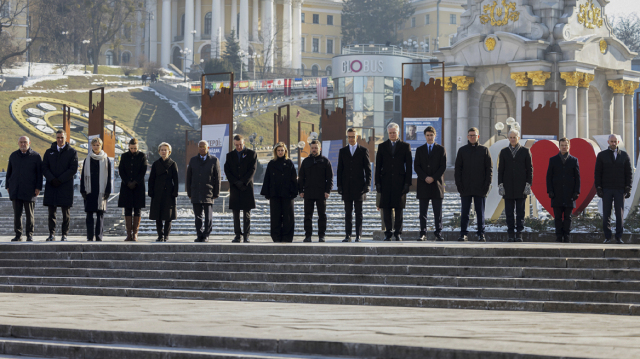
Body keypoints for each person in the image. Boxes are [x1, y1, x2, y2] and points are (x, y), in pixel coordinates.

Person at [375, 122, 412, 241]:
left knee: (399, 209)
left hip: (400, 182)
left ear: (398, 132)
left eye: (394, 133)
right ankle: (388, 233)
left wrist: (407, 183)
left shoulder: (405, 146)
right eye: (390, 133)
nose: (392, 134)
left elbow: (409, 167)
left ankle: (398, 233)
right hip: (385, 182)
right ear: (387, 133)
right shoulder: (382, 146)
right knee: (386, 208)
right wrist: (378, 183)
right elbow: (378, 166)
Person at [454, 127, 492, 242]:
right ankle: (463, 234)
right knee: (465, 212)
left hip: (480, 188)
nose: (472, 137)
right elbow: (458, 169)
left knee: (480, 213)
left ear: (478, 137)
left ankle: (481, 234)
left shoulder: (484, 150)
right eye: (470, 135)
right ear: (467, 137)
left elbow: (489, 169)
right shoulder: (462, 150)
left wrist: (486, 185)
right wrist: (459, 185)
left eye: (474, 135)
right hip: (465, 187)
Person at [595, 134, 632, 244]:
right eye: (612, 141)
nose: (613, 143)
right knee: (606, 214)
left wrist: (628, 187)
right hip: (606, 189)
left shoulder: (624, 156)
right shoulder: (602, 155)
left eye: (615, 141)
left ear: (618, 142)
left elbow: (629, 173)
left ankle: (618, 237)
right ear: (608, 142)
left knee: (619, 214)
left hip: (620, 189)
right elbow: (597, 173)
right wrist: (598, 187)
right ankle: (607, 237)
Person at [42, 130, 78, 242]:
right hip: (51, 185)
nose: (60, 139)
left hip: (65, 186)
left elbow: (73, 169)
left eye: (62, 137)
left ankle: (64, 235)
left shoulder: (72, 152)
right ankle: (51, 234)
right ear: (56, 138)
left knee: (65, 213)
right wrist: (52, 179)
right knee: (51, 213)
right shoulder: (49, 152)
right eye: (58, 137)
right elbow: (44, 168)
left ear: (66, 138)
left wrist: (60, 179)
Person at [498, 129, 532, 242]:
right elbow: (500, 170)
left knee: (520, 212)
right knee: (509, 212)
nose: (513, 139)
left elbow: (530, 170)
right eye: (511, 137)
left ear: (518, 138)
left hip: (521, 187)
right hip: (507, 187)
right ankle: (511, 234)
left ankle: (519, 234)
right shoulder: (504, 152)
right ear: (508, 138)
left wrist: (528, 184)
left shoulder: (525, 151)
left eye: (514, 137)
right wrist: (500, 185)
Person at [337, 128, 371, 242]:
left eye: (353, 136)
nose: (351, 138)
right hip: (346, 187)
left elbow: (368, 169)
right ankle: (348, 235)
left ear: (357, 137)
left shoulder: (363, 150)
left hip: (359, 187)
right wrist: (339, 186)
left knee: (359, 213)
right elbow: (339, 170)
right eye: (349, 136)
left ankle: (358, 235)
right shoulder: (343, 151)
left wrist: (368, 184)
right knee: (348, 213)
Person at [6, 136, 42, 242]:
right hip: (16, 190)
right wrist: (8, 186)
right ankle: (18, 235)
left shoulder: (36, 156)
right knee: (17, 214)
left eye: (25, 142)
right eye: (21, 142)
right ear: (18, 143)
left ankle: (29, 235)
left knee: (29, 214)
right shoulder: (13, 155)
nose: (23, 144)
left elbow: (39, 174)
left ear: (29, 143)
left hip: (30, 190)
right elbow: (9, 172)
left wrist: (38, 187)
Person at [260, 142, 298, 242]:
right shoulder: (271, 164)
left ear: (285, 151)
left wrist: (294, 192)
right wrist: (267, 193)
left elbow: (294, 178)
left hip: (287, 194)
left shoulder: (289, 163)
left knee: (288, 217)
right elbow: (267, 178)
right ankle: (276, 237)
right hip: (275, 194)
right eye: (278, 150)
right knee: (275, 217)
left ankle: (287, 237)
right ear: (275, 152)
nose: (280, 152)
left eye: (282, 150)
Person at [414, 126, 446, 241]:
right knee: (423, 212)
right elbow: (416, 166)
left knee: (437, 212)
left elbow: (443, 166)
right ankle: (423, 233)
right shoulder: (420, 150)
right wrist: (425, 177)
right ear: (425, 136)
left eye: (431, 135)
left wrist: (433, 177)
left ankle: (438, 233)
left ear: (435, 135)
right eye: (427, 135)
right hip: (423, 185)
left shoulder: (441, 149)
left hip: (436, 185)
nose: (429, 137)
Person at [224, 135, 257, 243]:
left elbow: (252, 170)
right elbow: (227, 170)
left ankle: (246, 235)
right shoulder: (230, 156)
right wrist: (235, 182)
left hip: (246, 187)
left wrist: (243, 182)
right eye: (236, 145)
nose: (238, 147)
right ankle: (238, 235)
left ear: (244, 143)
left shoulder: (252, 154)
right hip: (235, 188)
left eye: (240, 144)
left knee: (246, 213)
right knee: (236, 213)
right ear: (234, 144)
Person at [298, 140, 333, 242]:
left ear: (320, 148)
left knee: (322, 215)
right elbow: (301, 177)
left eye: (316, 148)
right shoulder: (306, 161)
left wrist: (328, 191)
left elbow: (330, 178)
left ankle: (321, 236)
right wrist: (301, 190)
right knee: (307, 215)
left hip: (321, 193)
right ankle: (308, 236)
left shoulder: (325, 161)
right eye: (312, 148)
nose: (314, 150)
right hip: (308, 192)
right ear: (310, 148)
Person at [546, 137, 580, 243]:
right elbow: (549, 177)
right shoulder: (553, 160)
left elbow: (578, 177)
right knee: (557, 217)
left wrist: (576, 192)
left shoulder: (574, 160)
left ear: (569, 146)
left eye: (566, 145)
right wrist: (550, 190)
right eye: (562, 145)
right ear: (559, 146)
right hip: (556, 193)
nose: (564, 147)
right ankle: (558, 236)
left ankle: (567, 237)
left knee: (568, 217)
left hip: (570, 194)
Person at [186, 140, 221, 243]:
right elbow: (189, 178)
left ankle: (206, 235)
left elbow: (217, 178)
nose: (202, 148)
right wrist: (189, 193)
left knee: (208, 216)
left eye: (204, 147)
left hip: (208, 192)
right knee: (198, 216)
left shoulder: (214, 160)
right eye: (200, 146)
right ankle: (199, 234)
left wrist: (216, 193)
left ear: (208, 148)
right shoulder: (193, 160)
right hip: (196, 192)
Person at [80, 137, 111, 242]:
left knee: (100, 215)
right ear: (91, 146)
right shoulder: (87, 159)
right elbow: (83, 175)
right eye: (94, 145)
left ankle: (99, 236)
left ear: (101, 146)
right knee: (89, 215)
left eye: (98, 145)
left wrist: (108, 190)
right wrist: (83, 190)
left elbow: (109, 176)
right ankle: (89, 236)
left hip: (101, 190)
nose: (96, 147)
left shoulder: (106, 159)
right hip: (89, 190)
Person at [118, 138, 148, 242]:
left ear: (138, 147)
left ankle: (135, 233)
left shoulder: (142, 156)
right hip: (126, 186)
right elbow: (121, 170)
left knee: (137, 209)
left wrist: (135, 182)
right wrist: (127, 182)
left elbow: (143, 171)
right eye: (131, 148)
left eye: (135, 148)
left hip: (138, 186)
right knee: (127, 209)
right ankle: (128, 234)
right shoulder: (124, 156)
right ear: (128, 147)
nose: (133, 150)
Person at [148, 142, 179, 242]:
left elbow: (176, 179)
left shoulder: (173, 164)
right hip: (157, 192)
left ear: (169, 152)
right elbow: (151, 179)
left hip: (169, 193)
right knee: (158, 215)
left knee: (168, 216)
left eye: (165, 150)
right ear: (159, 151)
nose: (163, 151)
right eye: (162, 150)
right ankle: (160, 235)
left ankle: (166, 235)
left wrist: (175, 192)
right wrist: (150, 191)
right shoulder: (156, 164)